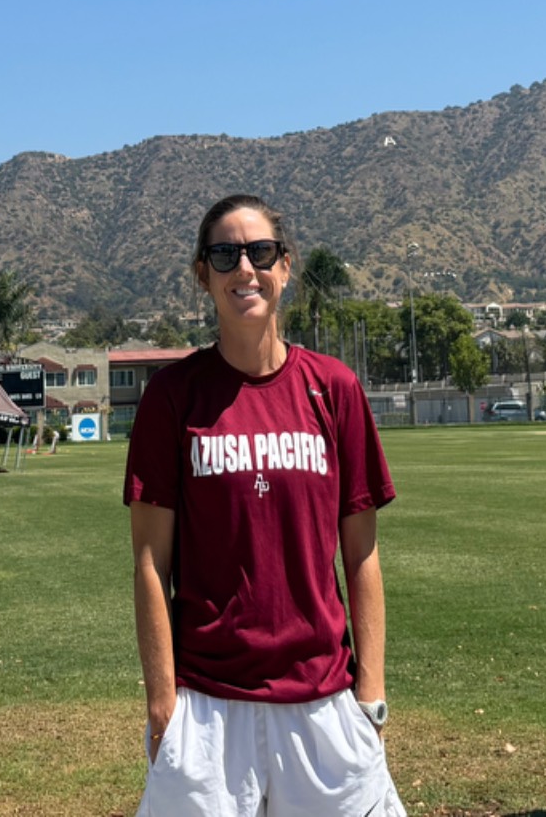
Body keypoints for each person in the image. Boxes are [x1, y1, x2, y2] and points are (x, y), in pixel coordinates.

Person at [123, 194, 403, 817]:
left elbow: (362, 554)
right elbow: (149, 563)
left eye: (260, 251)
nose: (243, 268)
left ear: (285, 266)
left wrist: (372, 697)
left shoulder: (335, 389)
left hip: (325, 702)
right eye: (225, 254)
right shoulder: (173, 397)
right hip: (207, 708)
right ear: (204, 274)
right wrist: (162, 704)